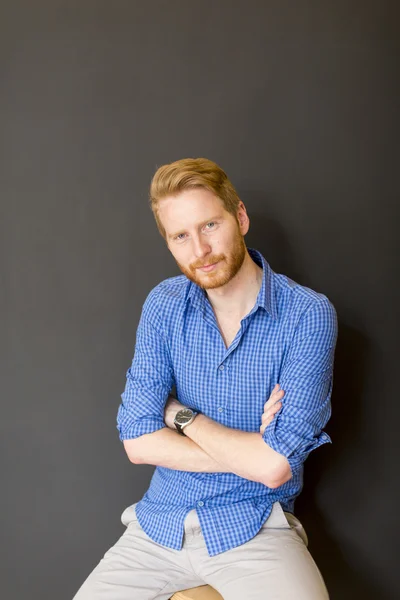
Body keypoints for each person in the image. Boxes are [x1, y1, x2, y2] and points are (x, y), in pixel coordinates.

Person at [73, 157, 338, 599]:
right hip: (157, 529)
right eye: (181, 236)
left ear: (240, 217)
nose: (200, 250)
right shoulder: (164, 305)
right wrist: (252, 450)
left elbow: (274, 470)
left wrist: (182, 416)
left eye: (210, 225)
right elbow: (138, 443)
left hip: (255, 529)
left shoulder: (308, 316)